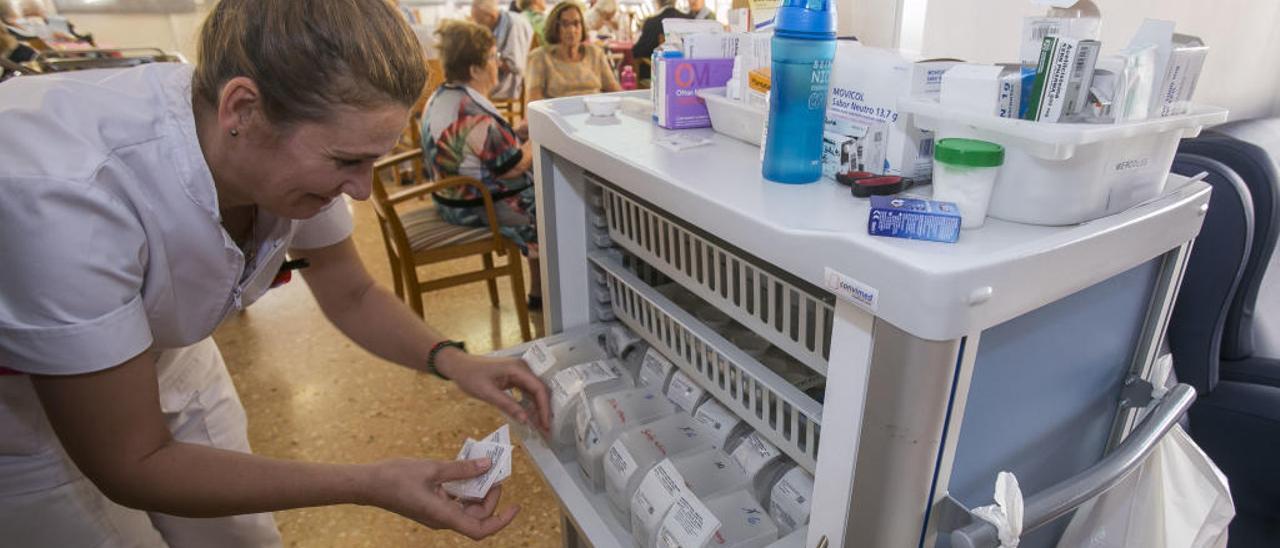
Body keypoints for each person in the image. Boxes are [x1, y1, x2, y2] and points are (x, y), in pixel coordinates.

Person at [0, 1, 551, 546]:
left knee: (238, 535)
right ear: (242, 110)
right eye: (346, 162)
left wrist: (454, 361)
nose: (361, 190)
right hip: (25, 397)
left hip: (167, 348)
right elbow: (131, 461)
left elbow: (352, 292)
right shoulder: (68, 196)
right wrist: (367, 483)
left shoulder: (282, 140)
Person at [422, 20, 544, 308]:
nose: (498, 63)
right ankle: (556, 294)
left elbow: (480, 150)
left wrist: (515, 135)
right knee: (553, 203)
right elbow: (514, 166)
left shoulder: (443, 96)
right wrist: (538, 134)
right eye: (492, 57)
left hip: (449, 197)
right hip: (476, 206)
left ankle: (539, 292)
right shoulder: (474, 113)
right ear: (475, 69)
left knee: (541, 194)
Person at [526, 1, 621, 100]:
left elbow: (616, 92)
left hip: (596, 112)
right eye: (565, 24)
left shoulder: (595, 54)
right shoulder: (539, 58)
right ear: (555, 27)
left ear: (582, 27)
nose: (571, 30)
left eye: (576, 23)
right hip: (558, 113)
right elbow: (533, 102)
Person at [471, 0, 533, 101]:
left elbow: (515, 66)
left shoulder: (514, 24)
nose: (479, 26)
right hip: (494, 75)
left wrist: (489, 56)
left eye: (480, 22)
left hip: (508, 83)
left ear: (491, 16)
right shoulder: (498, 22)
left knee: (466, 89)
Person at [630, 0, 690, 79]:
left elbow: (637, 52)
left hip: (656, 77)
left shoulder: (651, 22)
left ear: (656, 2)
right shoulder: (689, 19)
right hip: (685, 75)